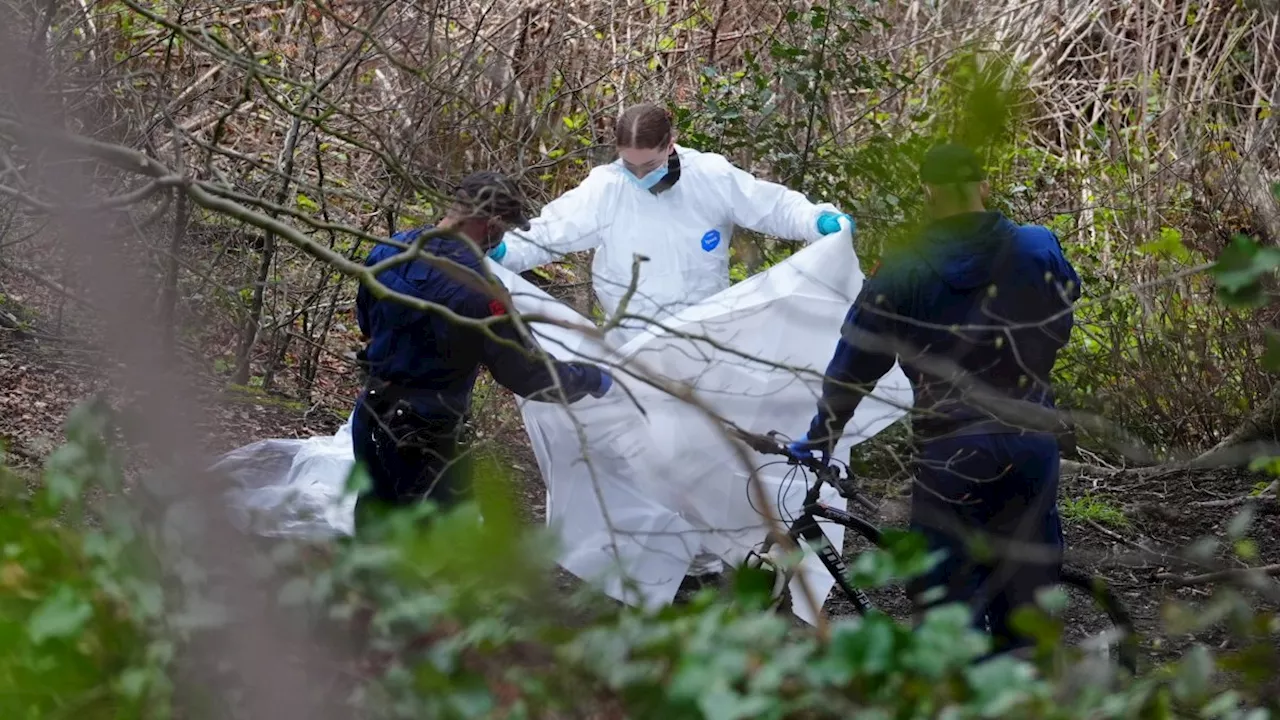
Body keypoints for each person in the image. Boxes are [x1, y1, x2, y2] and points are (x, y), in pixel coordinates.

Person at [786, 143, 1082, 656]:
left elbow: (855, 362)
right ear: (984, 185)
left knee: (947, 608)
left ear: (928, 192)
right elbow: (1061, 312)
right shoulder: (1037, 246)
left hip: (952, 452)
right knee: (1027, 602)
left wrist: (821, 436)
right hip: (1029, 440)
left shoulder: (903, 268)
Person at [351, 170, 614, 536]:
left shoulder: (391, 249)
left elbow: (365, 320)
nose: (501, 239)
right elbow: (528, 373)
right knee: (436, 544)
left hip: (370, 414)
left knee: (373, 521)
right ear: (490, 224)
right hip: (425, 438)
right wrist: (591, 377)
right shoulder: (479, 293)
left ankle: (363, 588)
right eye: (504, 228)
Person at [487, 101, 853, 346]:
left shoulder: (710, 176)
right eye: (630, 166)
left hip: (706, 340)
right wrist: (503, 251)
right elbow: (550, 232)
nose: (639, 175)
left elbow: (770, 206)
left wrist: (816, 219)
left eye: (648, 166)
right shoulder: (607, 188)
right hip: (634, 348)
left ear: (671, 144)